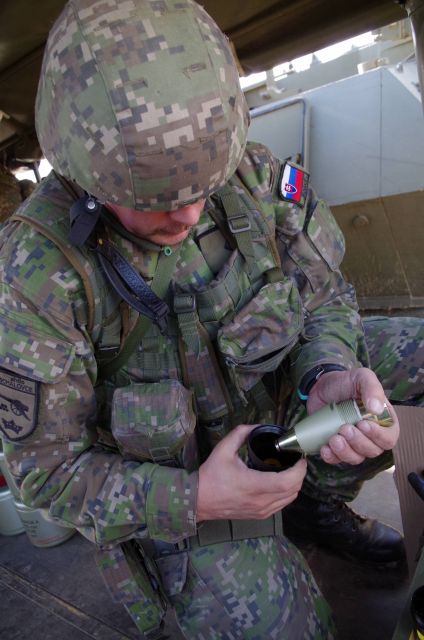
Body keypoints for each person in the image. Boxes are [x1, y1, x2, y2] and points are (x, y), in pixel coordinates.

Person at [0, 0, 423, 638]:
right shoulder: (36, 272)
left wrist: (326, 370)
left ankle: (312, 505)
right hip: (185, 484)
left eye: (203, 187)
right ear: (84, 175)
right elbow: (49, 473)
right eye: (152, 200)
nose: (189, 214)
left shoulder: (252, 176)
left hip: (284, 411)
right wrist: (196, 498)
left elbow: (325, 295)